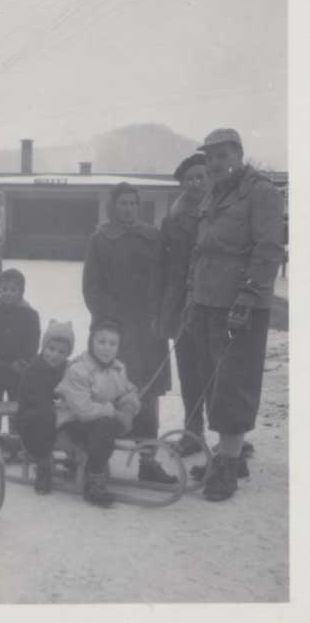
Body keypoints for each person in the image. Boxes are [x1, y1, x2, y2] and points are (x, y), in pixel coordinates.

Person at [187, 128, 284, 501]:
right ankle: (230, 454)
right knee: (214, 379)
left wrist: (248, 297)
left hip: (240, 305)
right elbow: (203, 249)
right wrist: (192, 293)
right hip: (209, 300)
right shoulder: (215, 192)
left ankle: (226, 465)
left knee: (234, 381)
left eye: (222, 156)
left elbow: (268, 249)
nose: (214, 163)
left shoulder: (260, 193)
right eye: (209, 157)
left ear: (239, 155)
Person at [82, 182, 176, 483]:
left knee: (148, 394)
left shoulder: (152, 236)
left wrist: (160, 314)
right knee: (109, 390)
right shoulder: (100, 238)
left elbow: (165, 277)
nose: (129, 208)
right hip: (114, 331)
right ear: (112, 207)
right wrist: (107, 322)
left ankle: (147, 462)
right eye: (123, 203)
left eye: (134, 203)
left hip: (148, 328)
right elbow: (92, 286)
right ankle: (97, 458)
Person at [155, 154, 209, 456]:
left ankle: (233, 439)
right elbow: (163, 267)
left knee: (219, 373)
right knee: (189, 372)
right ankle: (192, 432)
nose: (196, 183)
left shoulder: (222, 213)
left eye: (201, 177)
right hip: (181, 308)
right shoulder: (173, 219)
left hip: (215, 306)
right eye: (189, 179)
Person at [54, 318, 140, 507]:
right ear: (91, 342)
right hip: (71, 424)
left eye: (112, 343)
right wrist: (115, 413)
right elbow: (83, 410)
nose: (106, 348)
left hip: (100, 419)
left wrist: (128, 407)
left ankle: (148, 460)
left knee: (143, 410)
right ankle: (95, 479)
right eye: (101, 342)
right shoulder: (78, 370)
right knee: (104, 425)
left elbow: (128, 390)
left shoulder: (118, 368)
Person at [0, 268, 41, 433]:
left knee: (17, 407)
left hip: (17, 370)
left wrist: (24, 361)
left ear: (21, 291)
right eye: (4, 289)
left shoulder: (29, 314)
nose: (8, 294)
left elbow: (33, 341)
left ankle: (15, 438)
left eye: (13, 290)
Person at [18, 320, 75, 495]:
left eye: (62, 352)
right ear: (43, 347)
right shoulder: (34, 369)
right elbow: (40, 400)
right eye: (51, 349)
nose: (55, 355)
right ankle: (43, 465)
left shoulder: (68, 368)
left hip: (56, 414)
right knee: (44, 416)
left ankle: (76, 460)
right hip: (32, 417)